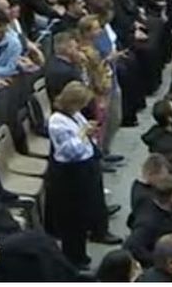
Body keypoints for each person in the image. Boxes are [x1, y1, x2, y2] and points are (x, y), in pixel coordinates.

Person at [46, 81, 117, 268]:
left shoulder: (75, 115)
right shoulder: (56, 122)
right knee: (73, 219)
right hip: (70, 173)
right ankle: (73, 259)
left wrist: (88, 131)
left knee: (86, 210)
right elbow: (70, 151)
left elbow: (84, 133)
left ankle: (88, 243)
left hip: (86, 165)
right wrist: (83, 134)